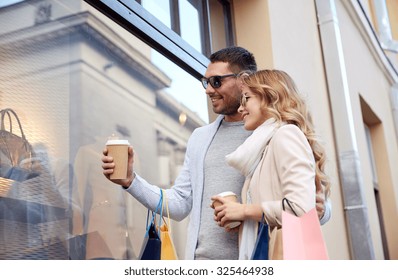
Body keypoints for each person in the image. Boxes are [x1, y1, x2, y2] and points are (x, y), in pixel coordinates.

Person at [101, 47, 331, 260]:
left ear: (243, 81)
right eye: (206, 82)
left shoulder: (274, 134)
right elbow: (180, 203)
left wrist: (319, 209)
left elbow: (308, 202)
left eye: (216, 81)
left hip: (259, 257)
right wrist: (131, 181)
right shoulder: (200, 138)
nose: (209, 89)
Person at [212, 69, 331, 259]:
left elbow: (300, 208)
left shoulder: (286, 134)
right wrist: (238, 217)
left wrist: (244, 211)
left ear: (270, 98)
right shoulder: (263, 148)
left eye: (247, 99)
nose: (241, 108)